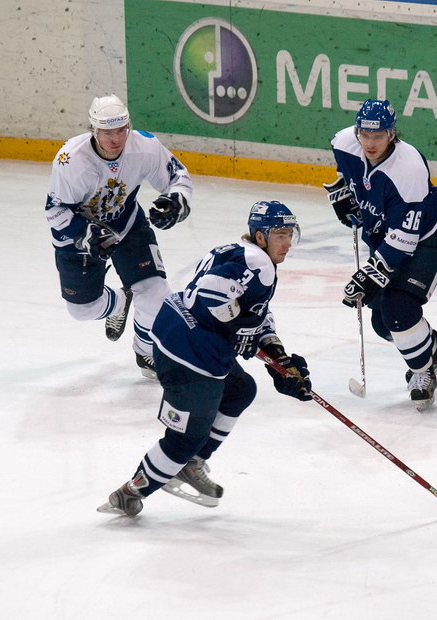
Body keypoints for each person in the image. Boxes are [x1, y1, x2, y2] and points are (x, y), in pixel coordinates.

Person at [98, 201, 312, 516]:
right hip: (189, 352)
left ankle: (192, 463)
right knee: (186, 437)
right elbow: (211, 295)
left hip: (174, 329)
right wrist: (240, 329)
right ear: (260, 235)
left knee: (241, 390)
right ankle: (130, 492)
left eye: (289, 233)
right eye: (279, 234)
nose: (287, 242)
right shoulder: (260, 265)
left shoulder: (240, 251)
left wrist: (278, 357)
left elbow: (253, 311)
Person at [45, 94, 193, 378]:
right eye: (106, 132)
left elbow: (178, 177)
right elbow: (55, 210)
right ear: (93, 130)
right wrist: (85, 233)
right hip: (76, 240)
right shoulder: (70, 160)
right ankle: (119, 302)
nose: (115, 139)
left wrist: (176, 201)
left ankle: (146, 351)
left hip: (126, 226)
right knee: (81, 310)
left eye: (120, 130)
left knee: (156, 293)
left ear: (129, 125)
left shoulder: (145, 146)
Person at [325, 99, 437, 411]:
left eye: (378, 136)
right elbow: (347, 174)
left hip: (427, 238)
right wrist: (344, 193)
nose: (370, 143)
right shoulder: (344, 142)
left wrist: (368, 276)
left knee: (399, 309)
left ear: (392, 134)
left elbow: (404, 241)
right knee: (383, 324)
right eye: (365, 135)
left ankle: (423, 372)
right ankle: (434, 349)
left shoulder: (408, 168)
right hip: (383, 233)